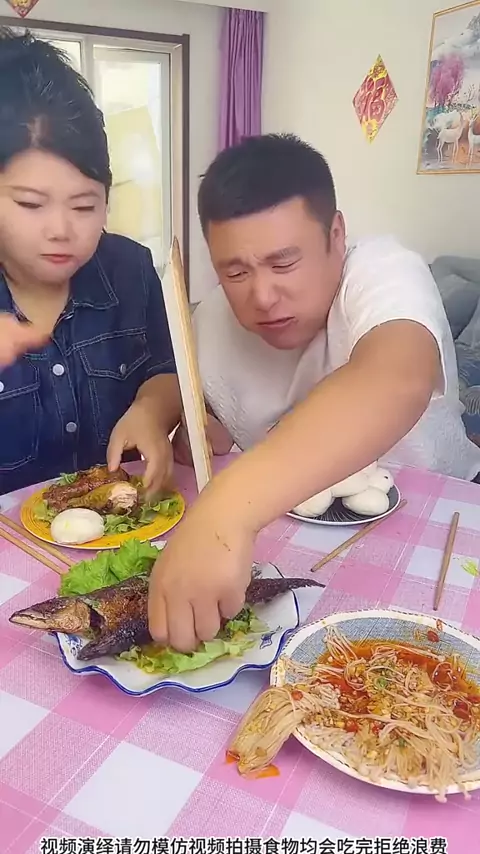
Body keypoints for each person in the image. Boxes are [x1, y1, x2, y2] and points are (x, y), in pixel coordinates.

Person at [151, 132, 480, 652]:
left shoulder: (382, 270)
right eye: (234, 271)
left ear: (336, 235)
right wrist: (161, 415)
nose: (262, 296)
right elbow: (195, 396)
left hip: (442, 532)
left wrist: (225, 510)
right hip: (296, 548)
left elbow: (398, 378)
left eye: (284, 263)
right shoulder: (212, 319)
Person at [0, 28, 182, 496]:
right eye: (30, 204)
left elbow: (166, 370)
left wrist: (150, 411)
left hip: (123, 524)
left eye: (84, 206)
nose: (61, 229)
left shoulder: (130, 270)